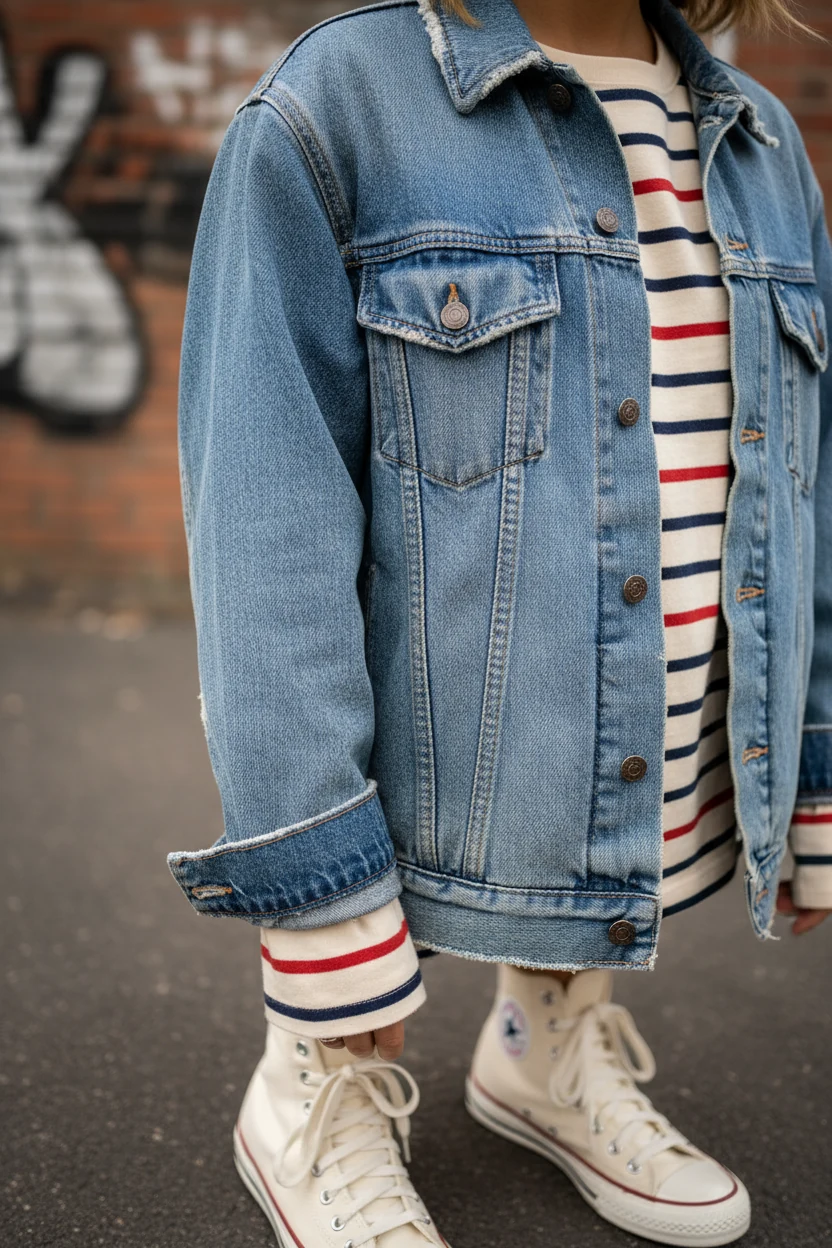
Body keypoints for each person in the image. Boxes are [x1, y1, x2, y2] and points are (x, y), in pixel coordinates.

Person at [168, 0, 832, 1243]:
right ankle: (312, 1084)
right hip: (444, 760)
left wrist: (813, 776)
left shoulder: (760, 144)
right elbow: (265, 527)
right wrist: (327, 924)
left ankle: (544, 1038)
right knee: (340, 1005)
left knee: (615, 822)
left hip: (662, 728)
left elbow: (808, 491)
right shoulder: (339, 106)